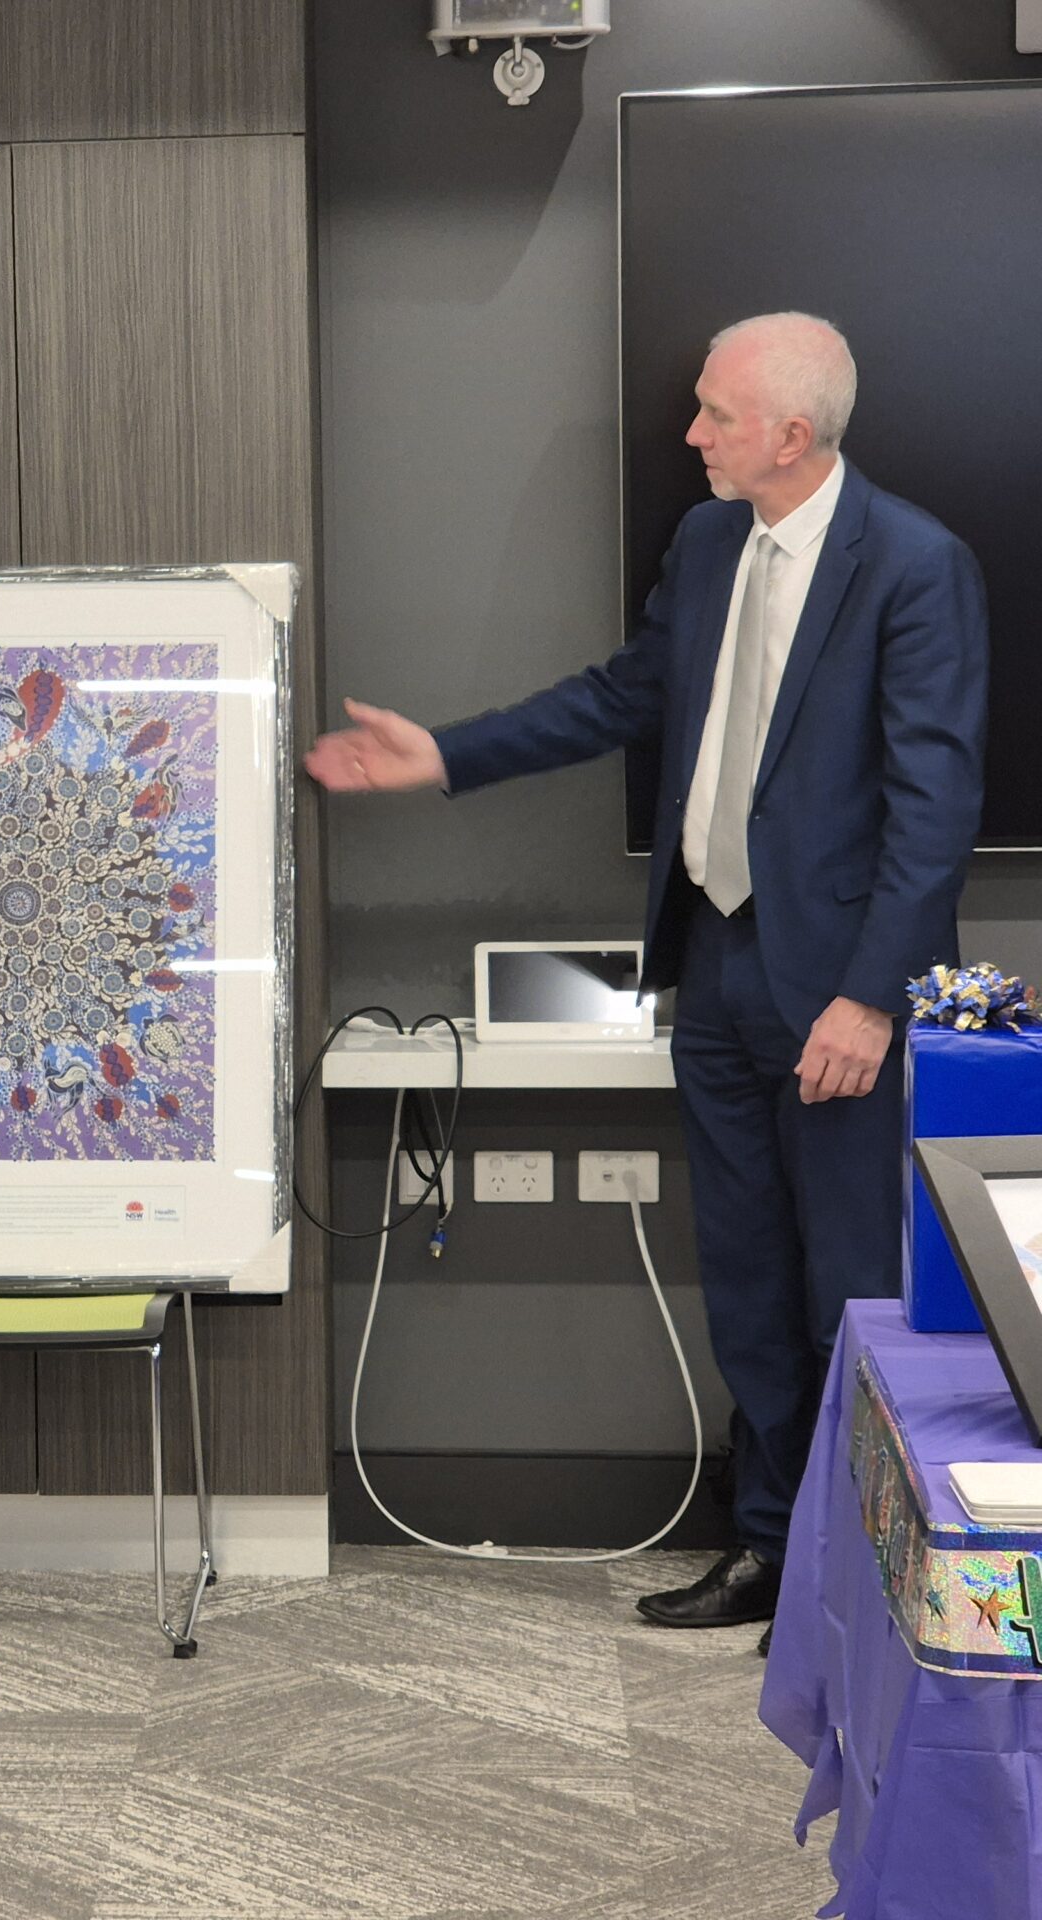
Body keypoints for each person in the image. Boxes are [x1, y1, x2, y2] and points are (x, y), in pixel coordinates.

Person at [309, 313, 986, 1635]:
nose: (691, 436)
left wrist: (868, 998)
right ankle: (772, 1549)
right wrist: (443, 756)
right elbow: (622, 697)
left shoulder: (915, 565)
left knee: (849, 1280)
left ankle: (862, 1581)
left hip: (838, 988)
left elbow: (935, 806)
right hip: (716, 958)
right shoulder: (706, 542)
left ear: (789, 434)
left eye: (715, 416)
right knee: (742, 1274)